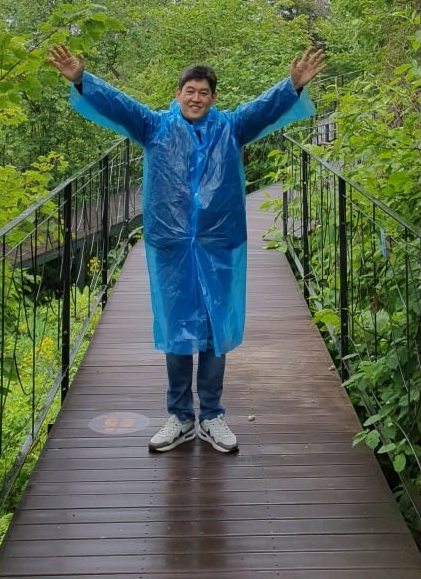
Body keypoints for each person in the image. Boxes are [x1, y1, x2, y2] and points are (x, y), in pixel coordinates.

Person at [47, 42, 326, 454]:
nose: (196, 98)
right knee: (177, 329)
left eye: (204, 92)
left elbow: (264, 108)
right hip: (172, 245)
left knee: (215, 327)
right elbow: (119, 105)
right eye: (190, 91)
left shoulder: (230, 127)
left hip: (220, 243)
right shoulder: (153, 127)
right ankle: (179, 416)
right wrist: (82, 80)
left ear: (214, 98)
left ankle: (211, 415)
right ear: (177, 94)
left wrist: (292, 86)